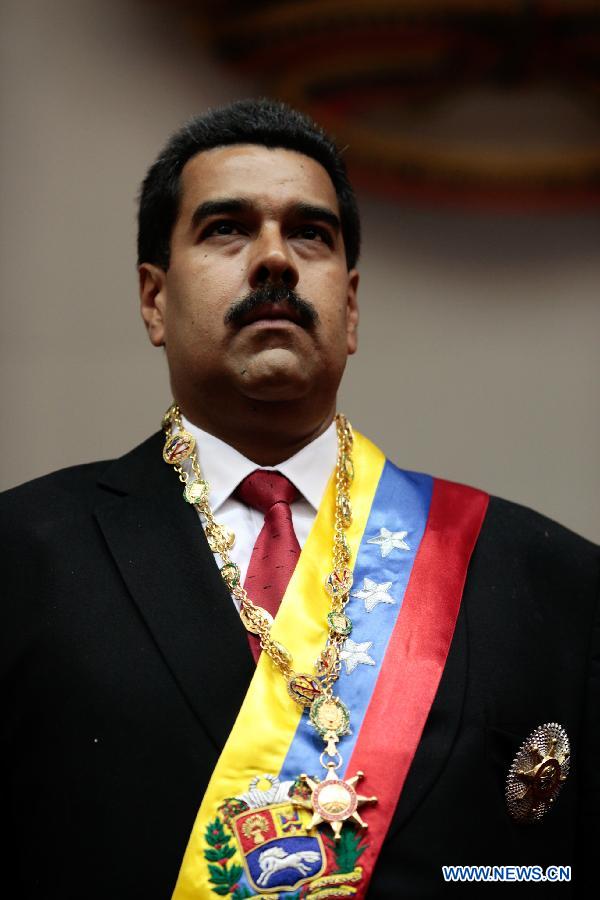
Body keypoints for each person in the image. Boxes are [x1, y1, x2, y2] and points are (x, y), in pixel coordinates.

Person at [0, 99, 597, 899]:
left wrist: (468, 884)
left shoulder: (545, 577)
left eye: (309, 233)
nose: (275, 258)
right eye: (226, 229)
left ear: (350, 308)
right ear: (153, 299)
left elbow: (557, 873)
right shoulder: (24, 555)